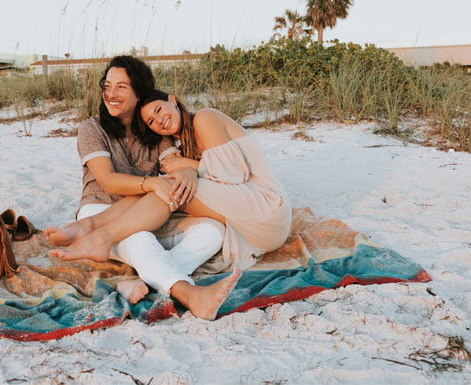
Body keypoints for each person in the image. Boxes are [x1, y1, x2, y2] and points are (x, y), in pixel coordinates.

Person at [43, 56, 240, 320]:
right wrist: (151, 183)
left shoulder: (154, 128)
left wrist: (189, 171)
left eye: (121, 87)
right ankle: (190, 294)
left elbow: (173, 163)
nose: (111, 94)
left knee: (213, 231)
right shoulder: (92, 128)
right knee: (140, 239)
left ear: (139, 93)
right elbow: (108, 180)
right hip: (101, 209)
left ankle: (143, 284)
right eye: (107, 85)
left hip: (149, 212)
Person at [50, 88, 291, 275]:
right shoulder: (183, 145)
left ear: (172, 100)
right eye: (151, 123)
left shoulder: (204, 119)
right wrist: (187, 169)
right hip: (251, 226)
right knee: (161, 186)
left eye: (158, 110)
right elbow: (212, 177)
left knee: (168, 188)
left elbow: (234, 175)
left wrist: (188, 167)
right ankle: (93, 230)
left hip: (266, 206)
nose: (159, 121)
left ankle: (99, 237)